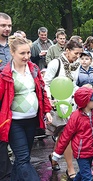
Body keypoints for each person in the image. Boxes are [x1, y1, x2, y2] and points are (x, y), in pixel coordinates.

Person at [0, 36, 52, 180]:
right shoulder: (5, 73)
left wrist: (47, 110)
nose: (27, 56)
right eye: (22, 53)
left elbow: (42, 91)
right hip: (14, 122)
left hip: (32, 121)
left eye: (28, 53)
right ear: (12, 52)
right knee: (23, 159)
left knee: (21, 160)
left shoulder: (33, 68)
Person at [51, 87, 93, 181]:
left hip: (92, 150)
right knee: (87, 177)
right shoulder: (75, 117)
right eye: (92, 100)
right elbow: (66, 136)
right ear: (85, 101)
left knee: (83, 172)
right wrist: (57, 153)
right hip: (81, 152)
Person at [44, 39, 83, 180]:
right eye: (75, 53)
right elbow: (46, 83)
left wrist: (81, 92)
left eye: (80, 53)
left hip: (71, 105)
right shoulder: (56, 63)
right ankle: (70, 167)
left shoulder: (76, 65)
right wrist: (50, 100)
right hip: (58, 105)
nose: (77, 56)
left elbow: (72, 84)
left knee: (65, 136)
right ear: (67, 50)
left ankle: (54, 157)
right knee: (66, 135)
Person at [0, 12, 12, 181]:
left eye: (9, 25)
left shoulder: (13, 46)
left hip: (11, 96)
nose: (7, 29)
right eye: (3, 25)